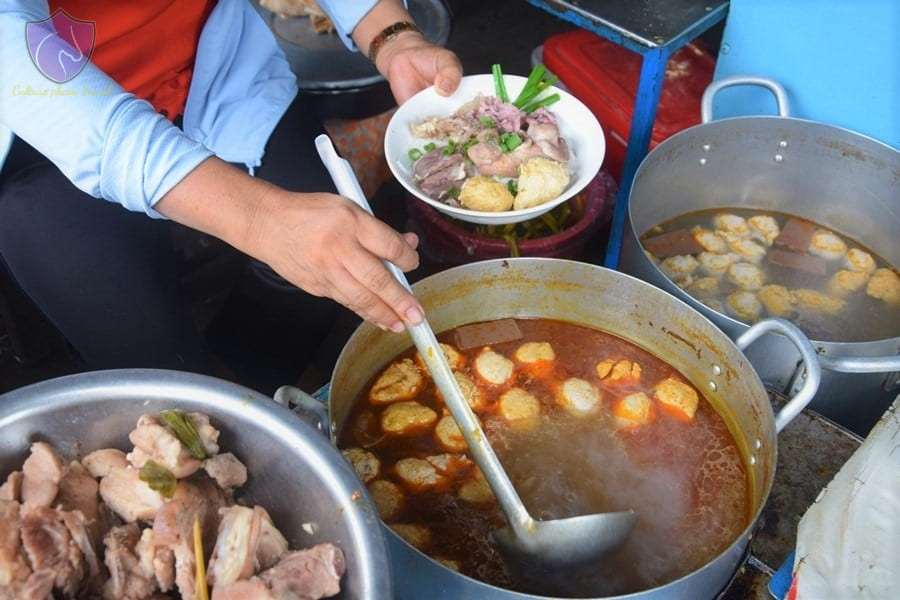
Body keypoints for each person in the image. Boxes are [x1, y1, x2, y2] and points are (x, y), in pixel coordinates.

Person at [0, 0, 463, 393]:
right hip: (40, 139)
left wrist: (391, 35)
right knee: (159, 378)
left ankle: (250, 383)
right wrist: (261, 219)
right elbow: (39, 90)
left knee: (329, 269)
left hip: (210, 68)